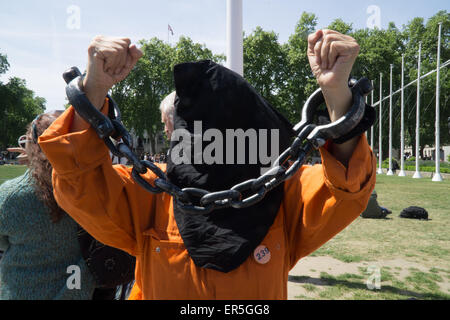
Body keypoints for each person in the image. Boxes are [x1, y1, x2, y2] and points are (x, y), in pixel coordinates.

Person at [39, 30, 376, 299]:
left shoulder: (282, 191)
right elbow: (80, 184)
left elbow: (346, 188)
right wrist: (93, 88)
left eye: (173, 127)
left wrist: (336, 94)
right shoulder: (148, 194)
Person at [0, 112, 134, 300]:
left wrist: (37, 161)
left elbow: (2, 241)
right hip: (82, 290)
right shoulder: (95, 188)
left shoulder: (12, 195)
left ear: (32, 144)